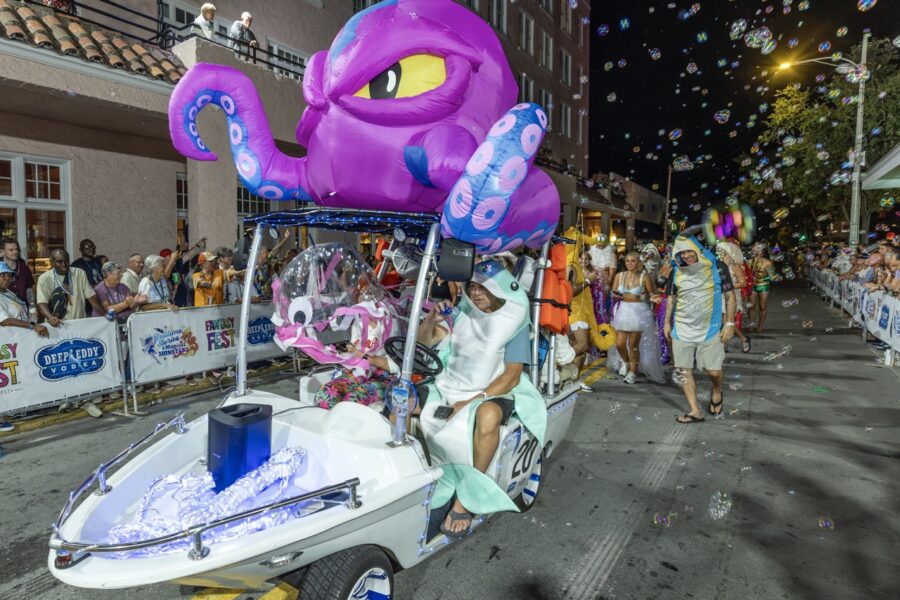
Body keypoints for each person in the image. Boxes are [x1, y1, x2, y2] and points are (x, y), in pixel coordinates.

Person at [417, 260, 546, 538]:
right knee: (404, 401)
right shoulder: (461, 313)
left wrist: (473, 400)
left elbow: (511, 376)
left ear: (498, 290)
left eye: (483, 288)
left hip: (494, 390)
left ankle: (467, 499)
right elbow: (423, 343)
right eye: (472, 287)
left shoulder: (514, 322)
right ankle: (413, 475)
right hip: (449, 385)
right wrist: (431, 320)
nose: (475, 293)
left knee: (487, 416)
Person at [663, 235, 735, 424]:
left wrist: (729, 323)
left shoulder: (718, 267)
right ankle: (695, 410)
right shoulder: (676, 271)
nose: (686, 256)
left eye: (689, 251)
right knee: (684, 370)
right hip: (682, 328)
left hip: (710, 330)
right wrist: (666, 322)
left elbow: (730, 296)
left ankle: (717, 389)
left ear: (698, 250)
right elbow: (671, 298)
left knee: (713, 372)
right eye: (681, 252)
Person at [608, 252, 664, 384]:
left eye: (633, 261)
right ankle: (626, 362)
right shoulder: (619, 276)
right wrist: (615, 295)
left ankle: (632, 372)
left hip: (638, 312)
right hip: (623, 310)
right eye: (627, 261)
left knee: (633, 345)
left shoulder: (645, 277)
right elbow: (613, 291)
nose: (629, 263)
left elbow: (650, 293)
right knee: (620, 344)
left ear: (639, 262)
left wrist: (652, 297)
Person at [36, 249, 103, 325]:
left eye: (66, 261)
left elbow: (91, 297)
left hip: (78, 323)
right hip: (57, 324)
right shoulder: (44, 278)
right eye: (60, 261)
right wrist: (50, 317)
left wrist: (104, 314)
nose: (64, 264)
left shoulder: (79, 273)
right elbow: (41, 303)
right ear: (52, 263)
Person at [716, 240, 752, 353]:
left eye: (722, 251)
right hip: (721, 296)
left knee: (727, 321)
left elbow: (743, 283)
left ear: (728, 253)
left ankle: (741, 339)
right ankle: (727, 343)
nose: (719, 253)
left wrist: (728, 286)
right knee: (725, 321)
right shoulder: (719, 265)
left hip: (732, 296)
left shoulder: (735, 267)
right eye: (719, 251)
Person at [71, 238, 103, 315]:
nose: (90, 249)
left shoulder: (98, 261)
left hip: (101, 296)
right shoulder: (76, 265)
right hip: (88, 300)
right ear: (81, 250)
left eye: (92, 247)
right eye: (87, 248)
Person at [748, 243, 775, 333]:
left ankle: (760, 326)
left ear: (762, 252)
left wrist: (761, 278)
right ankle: (751, 324)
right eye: (754, 249)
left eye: (757, 249)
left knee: (762, 306)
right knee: (751, 306)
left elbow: (772, 276)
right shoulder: (749, 261)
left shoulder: (767, 262)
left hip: (763, 285)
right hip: (752, 286)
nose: (754, 250)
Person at [1, 237, 35, 308]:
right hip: (4, 310)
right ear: (2, 252)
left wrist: (32, 306)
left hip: (23, 310)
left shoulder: (24, 268)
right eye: (11, 250)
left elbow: (29, 290)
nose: (15, 252)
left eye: (16, 249)